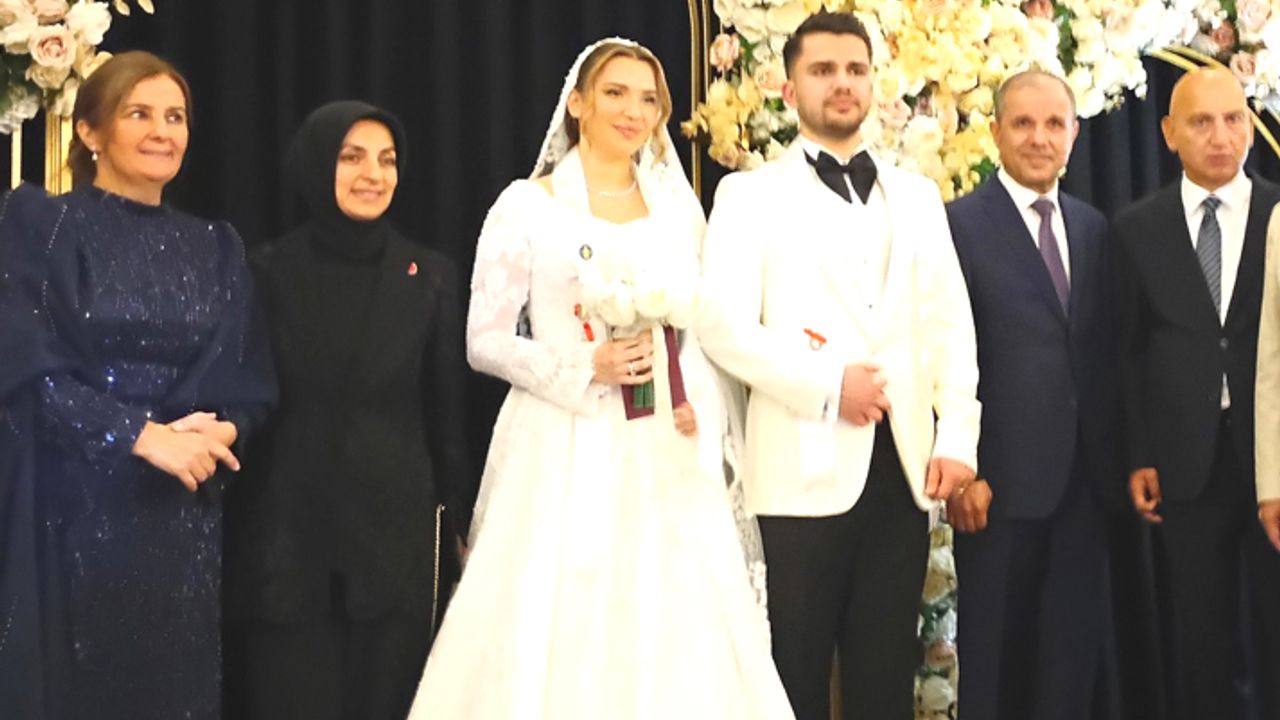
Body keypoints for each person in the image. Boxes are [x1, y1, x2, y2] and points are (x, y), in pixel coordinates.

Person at [405, 38, 793, 719]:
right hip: (562, 437)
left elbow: (696, 324)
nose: (633, 111)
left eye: (649, 99)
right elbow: (483, 341)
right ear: (578, 103)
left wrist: (689, 394)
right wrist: (587, 367)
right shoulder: (528, 205)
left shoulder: (676, 210)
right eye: (615, 93)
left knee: (675, 618)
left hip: (663, 441)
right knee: (555, 612)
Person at [698, 11, 981, 720]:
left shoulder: (917, 196)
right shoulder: (748, 195)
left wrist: (957, 439)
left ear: (874, 82)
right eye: (822, 70)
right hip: (796, 476)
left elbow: (950, 326)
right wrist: (829, 388)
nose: (842, 83)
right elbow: (722, 327)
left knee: (884, 681)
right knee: (791, 677)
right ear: (789, 89)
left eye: (855, 69)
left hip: (902, 474)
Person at [0, 51, 275, 720]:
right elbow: (24, 366)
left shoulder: (217, 245)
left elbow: (248, 377)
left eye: (175, 117)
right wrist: (139, 436)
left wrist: (223, 428)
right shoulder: (40, 225)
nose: (162, 131)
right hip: (72, 507)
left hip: (180, 516)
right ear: (89, 131)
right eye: (139, 113)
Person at [223, 101, 472, 720]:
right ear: (316, 163)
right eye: (352, 157)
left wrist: (464, 521)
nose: (373, 174)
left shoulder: (431, 276)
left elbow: (448, 416)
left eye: (387, 160)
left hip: (396, 545)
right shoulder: (263, 270)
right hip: (287, 543)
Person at [945, 70, 1116, 720]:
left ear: (1074, 134)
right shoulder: (958, 226)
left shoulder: (1094, 227)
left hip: (1085, 488)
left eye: (1053, 124)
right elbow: (942, 355)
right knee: (995, 664)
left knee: (1068, 666)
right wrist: (965, 470)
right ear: (994, 132)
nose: (1039, 138)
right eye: (1022, 123)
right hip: (996, 490)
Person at [1112, 67, 1280, 719]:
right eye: (1201, 122)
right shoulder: (1137, 227)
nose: (1220, 136)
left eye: (1233, 119)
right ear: (1168, 132)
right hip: (1185, 464)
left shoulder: (1278, 213)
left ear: (1251, 127)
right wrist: (1139, 454)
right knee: (1203, 639)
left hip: (1272, 460)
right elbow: (1127, 351)